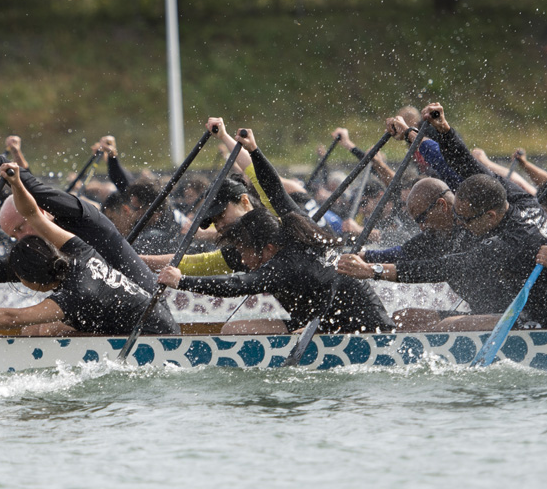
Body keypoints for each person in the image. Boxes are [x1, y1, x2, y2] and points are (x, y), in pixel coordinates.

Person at [0, 122, 175, 333]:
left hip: (149, 308)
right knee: (38, 328)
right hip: (110, 314)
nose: (21, 238)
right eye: (14, 235)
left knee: (41, 326)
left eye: (21, 228)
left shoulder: (82, 219)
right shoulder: (44, 251)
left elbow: (29, 188)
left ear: (42, 213)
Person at [337, 103, 547, 331]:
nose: (460, 222)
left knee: (448, 326)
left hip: (539, 319)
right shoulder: (515, 197)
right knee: (405, 318)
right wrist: (428, 131)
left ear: (489, 216)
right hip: (503, 309)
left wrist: (373, 271)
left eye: (466, 219)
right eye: (457, 215)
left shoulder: (506, 244)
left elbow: (443, 268)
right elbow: (463, 162)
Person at [157, 128, 392, 335]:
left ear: (267, 248)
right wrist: (254, 150)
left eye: (242, 250)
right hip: (321, 321)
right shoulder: (295, 226)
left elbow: (235, 285)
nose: (241, 258)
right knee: (234, 329)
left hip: (362, 327)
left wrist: (182, 282)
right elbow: (273, 188)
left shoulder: (281, 265)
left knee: (235, 330)